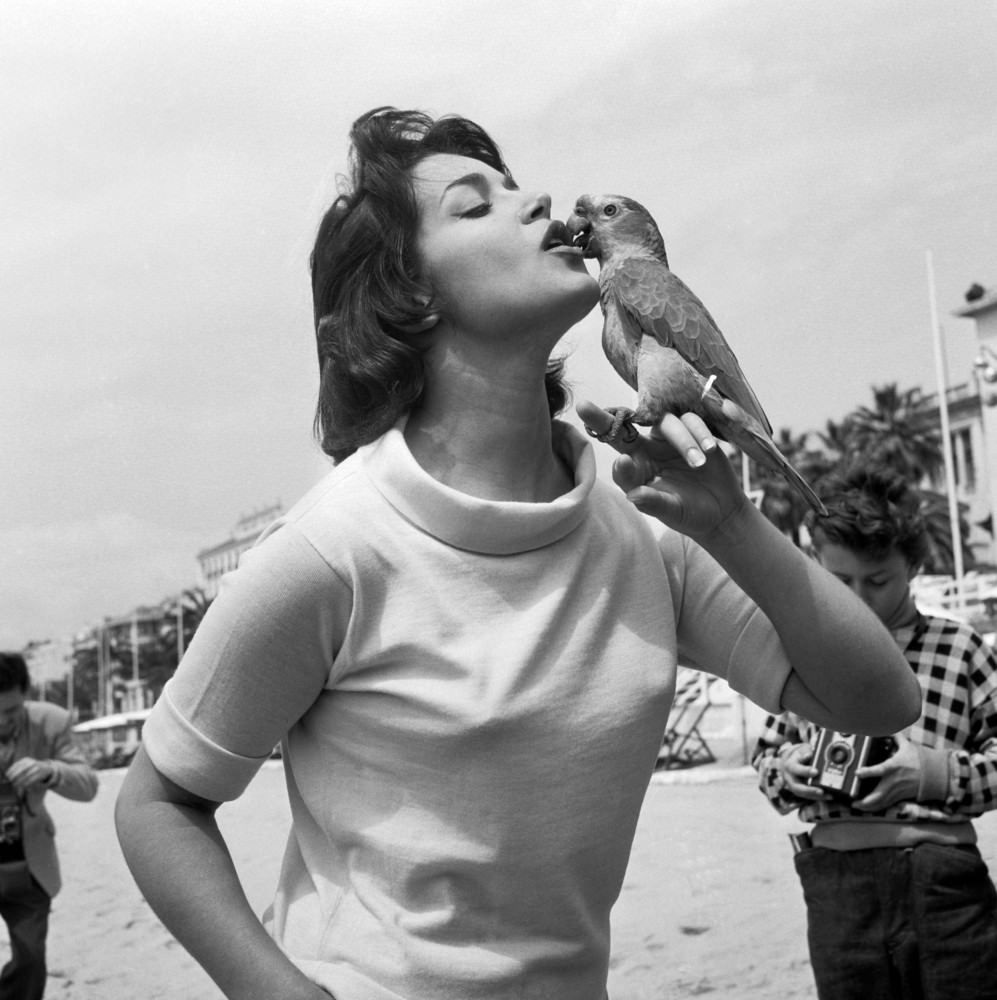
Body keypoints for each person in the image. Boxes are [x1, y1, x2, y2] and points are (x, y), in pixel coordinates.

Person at [114, 107, 920, 1000]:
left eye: (513, 182)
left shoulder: (644, 525)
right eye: (473, 204)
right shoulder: (332, 550)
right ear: (408, 296)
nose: (534, 197)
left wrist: (732, 525)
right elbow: (157, 804)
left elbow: (878, 699)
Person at [752, 466, 997, 1000]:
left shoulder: (962, 649)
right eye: (840, 582)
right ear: (816, 563)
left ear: (911, 564)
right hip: (836, 885)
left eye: (878, 580)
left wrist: (930, 773)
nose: (859, 597)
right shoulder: (802, 653)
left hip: (945, 884)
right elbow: (766, 763)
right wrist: (790, 771)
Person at [0, 651, 98, 1000]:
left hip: (29, 868)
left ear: (25, 695)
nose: (1, 721)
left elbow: (88, 785)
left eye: (10, 712)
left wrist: (50, 771)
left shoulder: (51, 721)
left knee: (30, 962)